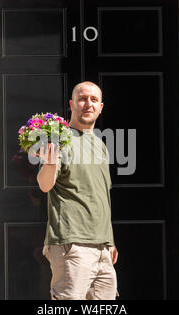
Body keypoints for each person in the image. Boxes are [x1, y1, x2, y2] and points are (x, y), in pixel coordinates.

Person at [36, 81, 119, 300]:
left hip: (102, 248)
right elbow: (45, 185)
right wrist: (50, 162)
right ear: (71, 104)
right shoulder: (60, 140)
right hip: (72, 245)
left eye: (94, 100)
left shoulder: (100, 145)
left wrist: (108, 240)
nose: (88, 104)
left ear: (101, 107)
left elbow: (101, 195)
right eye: (82, 99)